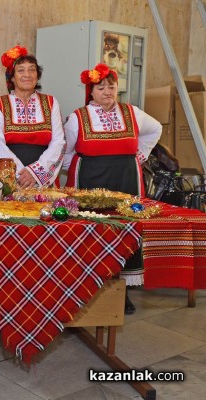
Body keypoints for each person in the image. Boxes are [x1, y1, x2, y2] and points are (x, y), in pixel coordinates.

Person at [62, 63, 162, 314]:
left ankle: (122, 291)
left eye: (111, 86)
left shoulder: (133, 113)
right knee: (93, 233)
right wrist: (78, 168)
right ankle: (89, 289)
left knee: (126, 231)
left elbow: (156, 129)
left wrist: (140, 155)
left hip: (126, 181)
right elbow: (66, 151)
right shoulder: (78, 118)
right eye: (101, 87)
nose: (107, 91)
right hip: (91, 182)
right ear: (91, 91)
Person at [0, 45, 65, 188]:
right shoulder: (0, 104)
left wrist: (35, 173)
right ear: (12, 78)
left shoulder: (51, 102)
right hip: (11, 178)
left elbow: (59, 142)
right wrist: (21, 174)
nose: (27, 75)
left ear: (37, 75)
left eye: (32, 70)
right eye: (20, 70)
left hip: (42, 179)